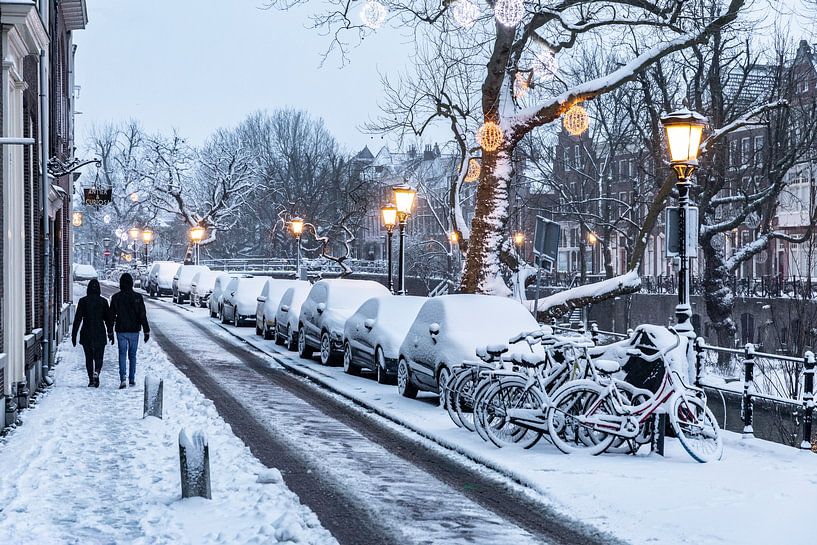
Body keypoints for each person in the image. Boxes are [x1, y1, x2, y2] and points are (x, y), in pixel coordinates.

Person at [109, 273, 151, 389]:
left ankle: (122, 378)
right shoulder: (137, 297)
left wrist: (110, 331)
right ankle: (132, 378)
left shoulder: (116, 297)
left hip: (121, 330)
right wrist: (146, 330)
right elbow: (142, 315)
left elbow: (111, 315)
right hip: (134, 330)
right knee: (132, 355)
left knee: (122, 354)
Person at [71, 279, 114, 387]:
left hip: (86, 331)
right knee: (99, 356)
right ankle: (97, 371)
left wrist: (74, 334)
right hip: (99, 331)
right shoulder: (103, 302)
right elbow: (108, 319)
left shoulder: (83, 301)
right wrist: (110, 333)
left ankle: (91, 379)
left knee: (89, 357)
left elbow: (78, 319)